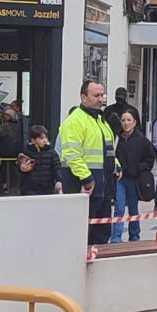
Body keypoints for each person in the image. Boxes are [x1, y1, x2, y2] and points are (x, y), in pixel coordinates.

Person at [60, 80, 122, 245]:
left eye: (102, 95)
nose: (100, 99)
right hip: (84, 187)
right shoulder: (75, 121)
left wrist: (116, 165)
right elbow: (71, 154)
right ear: (83, 97)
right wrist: (86, 179)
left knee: (102, 232)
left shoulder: (101, 121)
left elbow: (108, 150)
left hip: (103, 187)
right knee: (81, 233)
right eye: (96, 95)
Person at [112, 110, 156, 243]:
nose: (126, 123)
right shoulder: (116, 139)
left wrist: (138, 168)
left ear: (135, 122)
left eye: (129, 120)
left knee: (133, 209)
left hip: (134, 180)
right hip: (119, 179)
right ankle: (115, 238)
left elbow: (149, 159)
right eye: (123, 120)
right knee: (119, 208)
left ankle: (134, 236)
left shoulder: (142, 140)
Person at [18, 125, 61, 196]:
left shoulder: (51, 152)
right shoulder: (26, 151)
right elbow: (18, 168)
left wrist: (58, 180)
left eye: (46, 137)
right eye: (41, 138)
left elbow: (56, 168)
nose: (45, 140)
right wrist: (21, 169)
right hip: (29, 188)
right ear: (33, 140)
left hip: (47, 188)